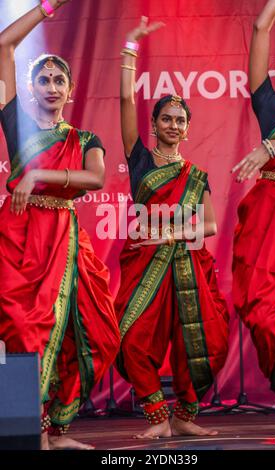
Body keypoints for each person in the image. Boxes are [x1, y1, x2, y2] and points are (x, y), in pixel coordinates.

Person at [0, 0, 120, 450]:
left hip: (66, 239)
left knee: (98, 332)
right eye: (43, 79)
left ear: (71, 90)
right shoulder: (17, 126)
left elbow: (96, 178)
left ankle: (58, 426)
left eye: (59, 80)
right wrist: (48, 7)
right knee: (26, 332)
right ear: (30, 89)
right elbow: (4, 45)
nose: (51, 86)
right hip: (21, 238)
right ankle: (35, 431)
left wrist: (38, 175)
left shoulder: (85, 138)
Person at [115, 17, 229, 439]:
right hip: (145, 263)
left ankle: (183, 414)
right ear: (155, 123)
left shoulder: (196, 175)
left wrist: (172, 234)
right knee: (132, 337)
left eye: (181, 120)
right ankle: (156, 418)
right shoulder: (139, 159)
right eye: (167, 118)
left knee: (202, 343)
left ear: (188, 127)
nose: (174, 125)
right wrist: (131, 47)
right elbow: (126, 99)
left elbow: (212, 224)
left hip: (188, 262)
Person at [232, 0, 275, 445]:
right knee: (264, 313)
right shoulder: (270, 102)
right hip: (272, 219)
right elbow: (259, 29)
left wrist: (272, 150)